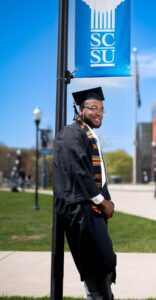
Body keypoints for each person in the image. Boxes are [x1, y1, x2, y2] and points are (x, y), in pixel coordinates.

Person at [53, 87, 116, 300]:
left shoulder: (89, 135)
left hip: (92, 210)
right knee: (96, 269)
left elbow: (97, 175)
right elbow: (78, 172)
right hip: (81, 212)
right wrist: (102, 201)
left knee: (104, 265)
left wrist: (107, 201)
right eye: (93, 108)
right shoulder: (71, 133)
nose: (99, 112)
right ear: (81, 110)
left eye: (101, 109)